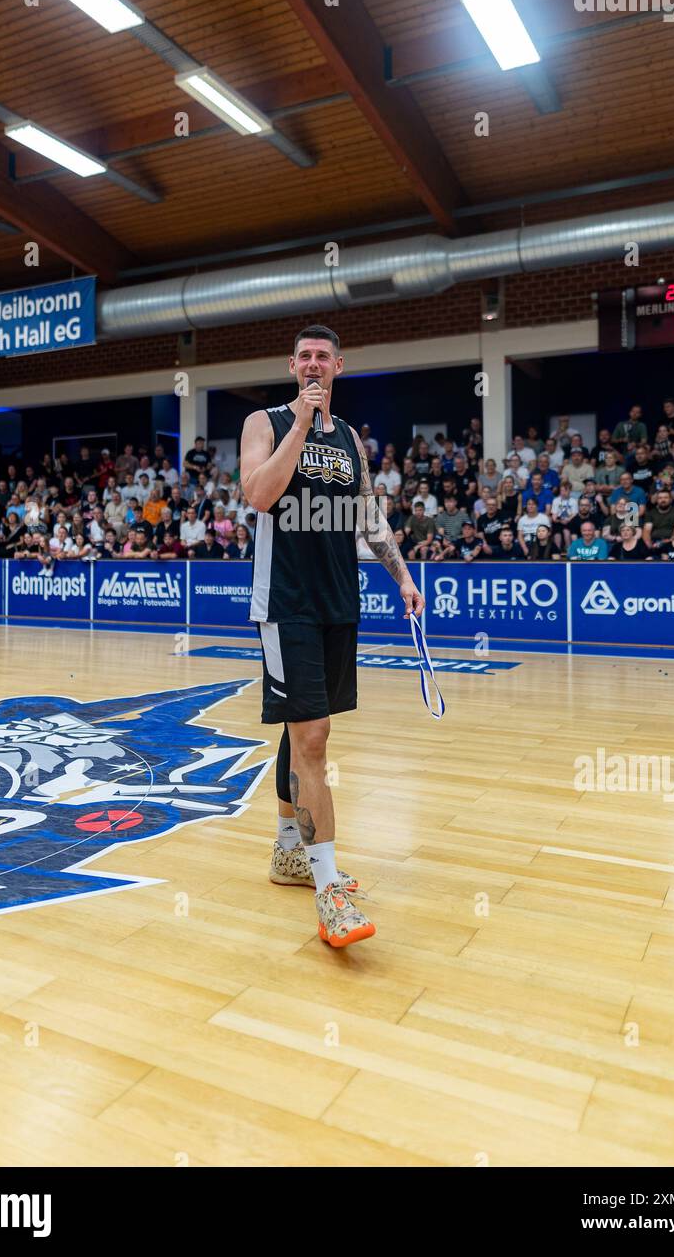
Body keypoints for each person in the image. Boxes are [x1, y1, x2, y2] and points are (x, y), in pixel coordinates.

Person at [240, 324, 424, 950]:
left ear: (339, 366)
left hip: (338, 601)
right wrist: (300, 424)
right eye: (305, 358)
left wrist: (400, 576)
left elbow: (367, 513)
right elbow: (259, 497)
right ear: (293, 365)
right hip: (285, 603)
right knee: (311, 737)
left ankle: (289, 851)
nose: (314, 365)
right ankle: (329, 893)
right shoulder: (264, 422)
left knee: (305, 733)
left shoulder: (350, 440)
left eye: (324, 358)